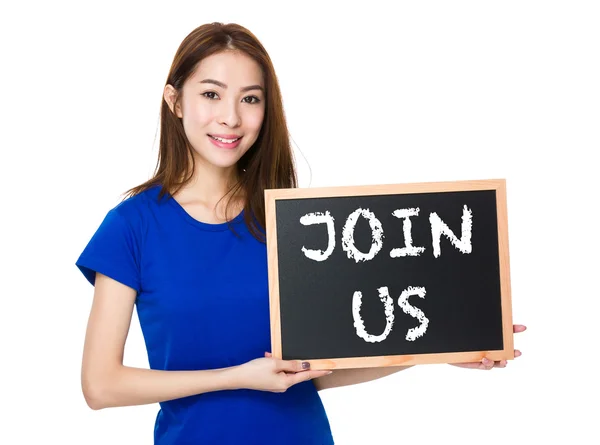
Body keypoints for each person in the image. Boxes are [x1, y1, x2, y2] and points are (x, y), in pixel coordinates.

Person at [75, 22, 526, 444]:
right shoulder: (132, 226)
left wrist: (439, 348)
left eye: (250, 99)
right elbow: (100, 385)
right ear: (174, 101)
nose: (230, 117)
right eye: (211, 94)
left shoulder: (293, 223)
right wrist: (236, 376)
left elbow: (318, 368)